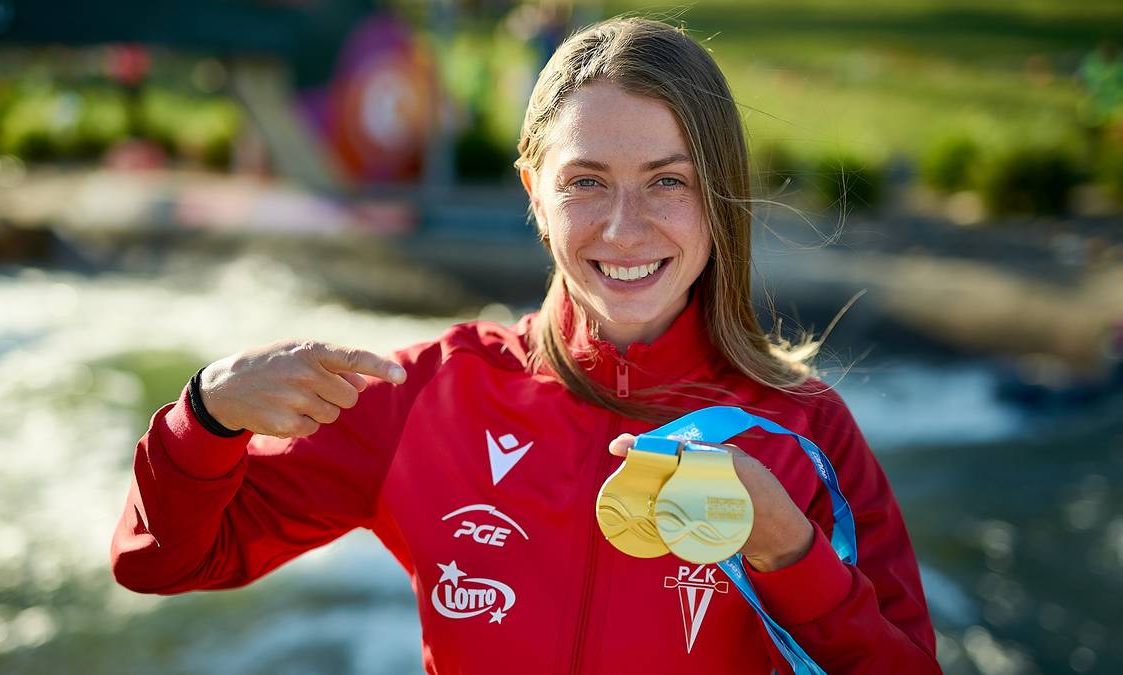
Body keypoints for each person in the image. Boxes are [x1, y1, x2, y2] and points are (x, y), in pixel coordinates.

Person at [110, 17, 941, 674]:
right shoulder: (425, 397)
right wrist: (206, 415)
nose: (624, 227)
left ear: (719, 198)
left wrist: (790, 554)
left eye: (669, 181)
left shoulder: (806, 434)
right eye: (585, 182)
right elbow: (161, 562)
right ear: (533, 195)